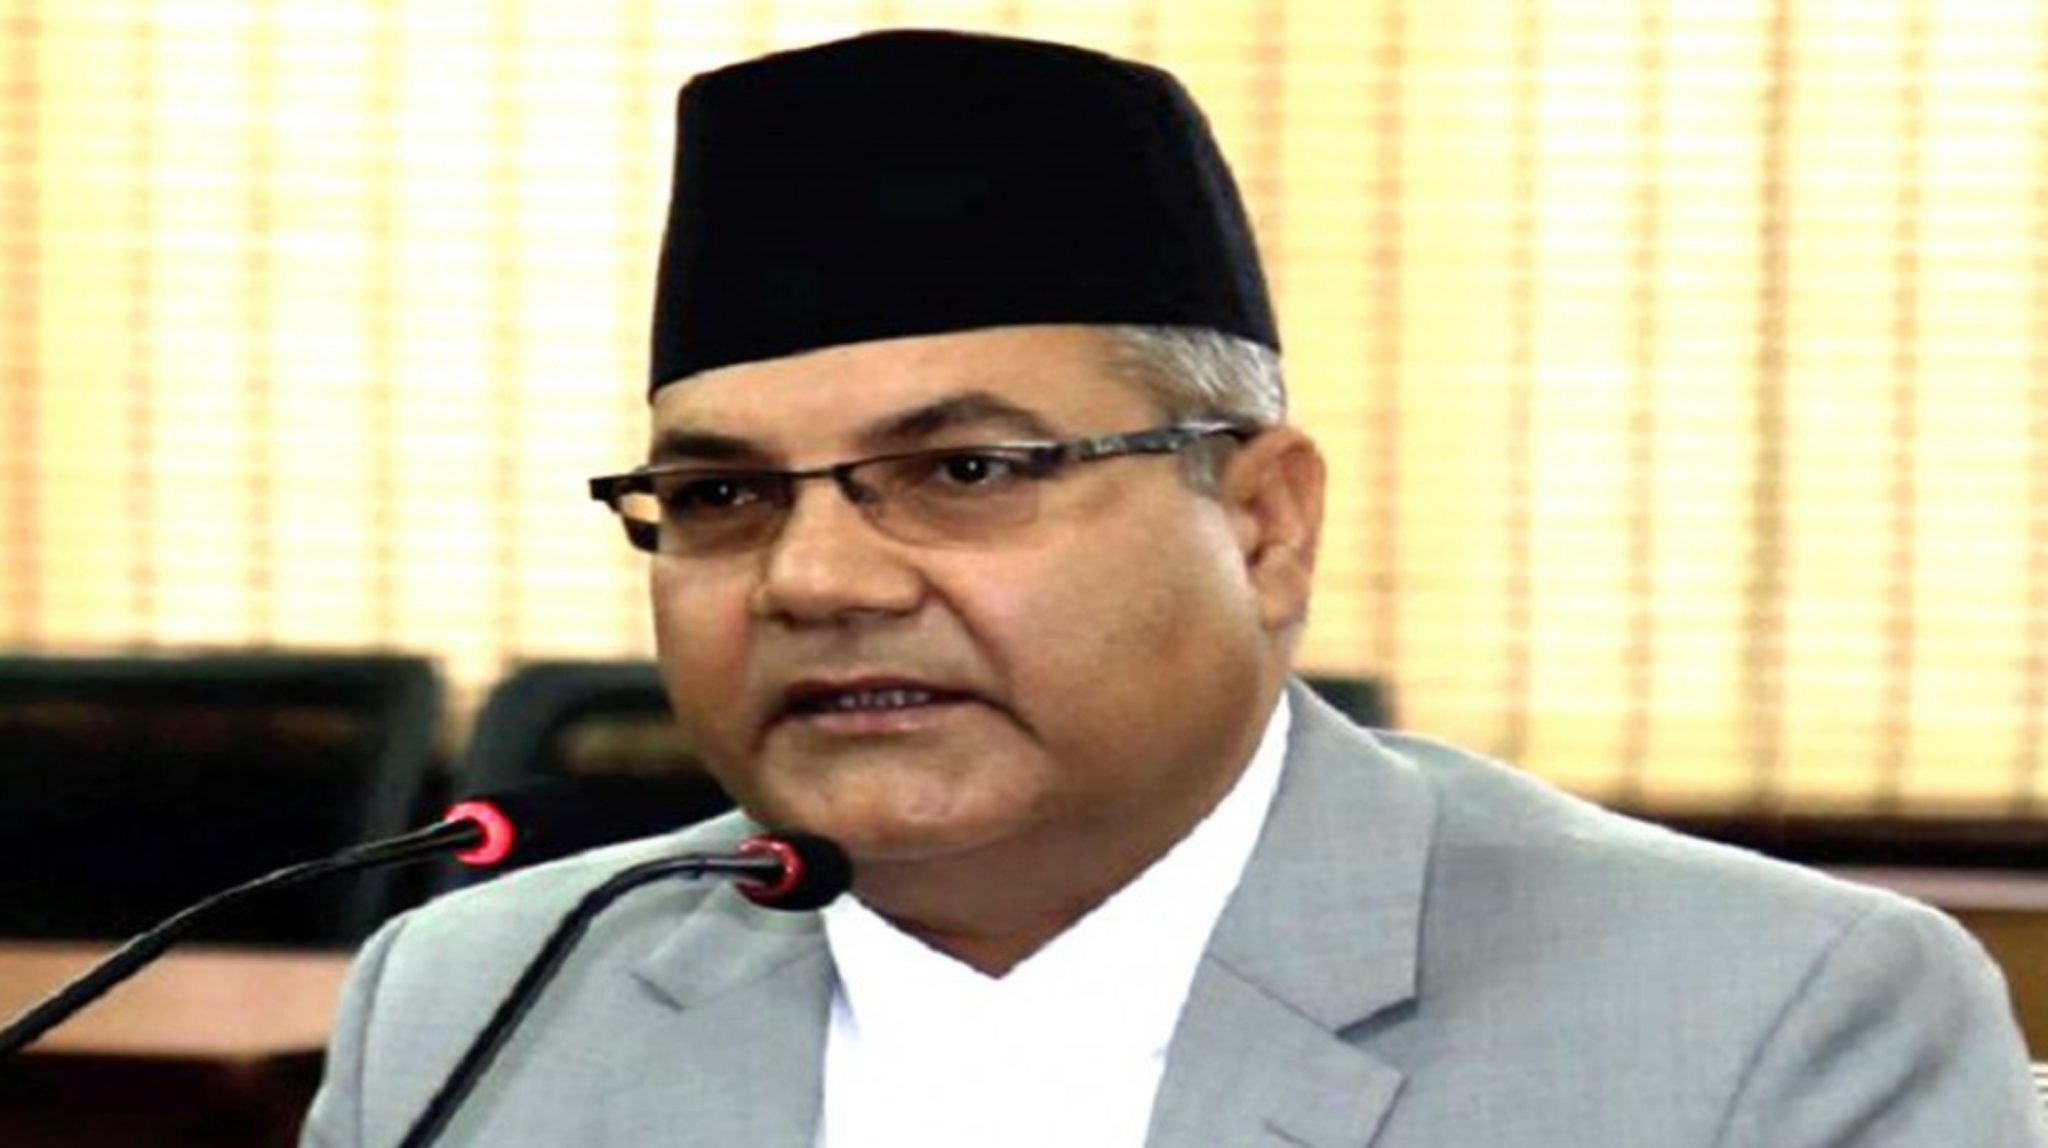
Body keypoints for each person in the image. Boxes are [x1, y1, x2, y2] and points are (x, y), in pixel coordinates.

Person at [301, 29, 2046, 1147]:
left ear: (1264, 526)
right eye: (722, 497)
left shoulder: (1766, 1015)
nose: (816, 578)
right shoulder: (477, 1000)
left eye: (968, 472)